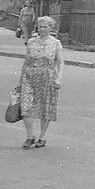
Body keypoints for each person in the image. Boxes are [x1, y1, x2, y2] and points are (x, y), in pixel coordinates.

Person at [17, 16, 64, 149]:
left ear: (50, 28)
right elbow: (26, 62)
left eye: (45, 27)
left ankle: (42, 137)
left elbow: (60, 62)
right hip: (29, 77)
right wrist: (20, 82)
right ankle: (30, 136)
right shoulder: (31, 42)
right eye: (40, 26)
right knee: (25, 107)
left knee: (45, 108)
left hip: (47, 78)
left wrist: (58, 78)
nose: (42, 29)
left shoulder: (56, 43)